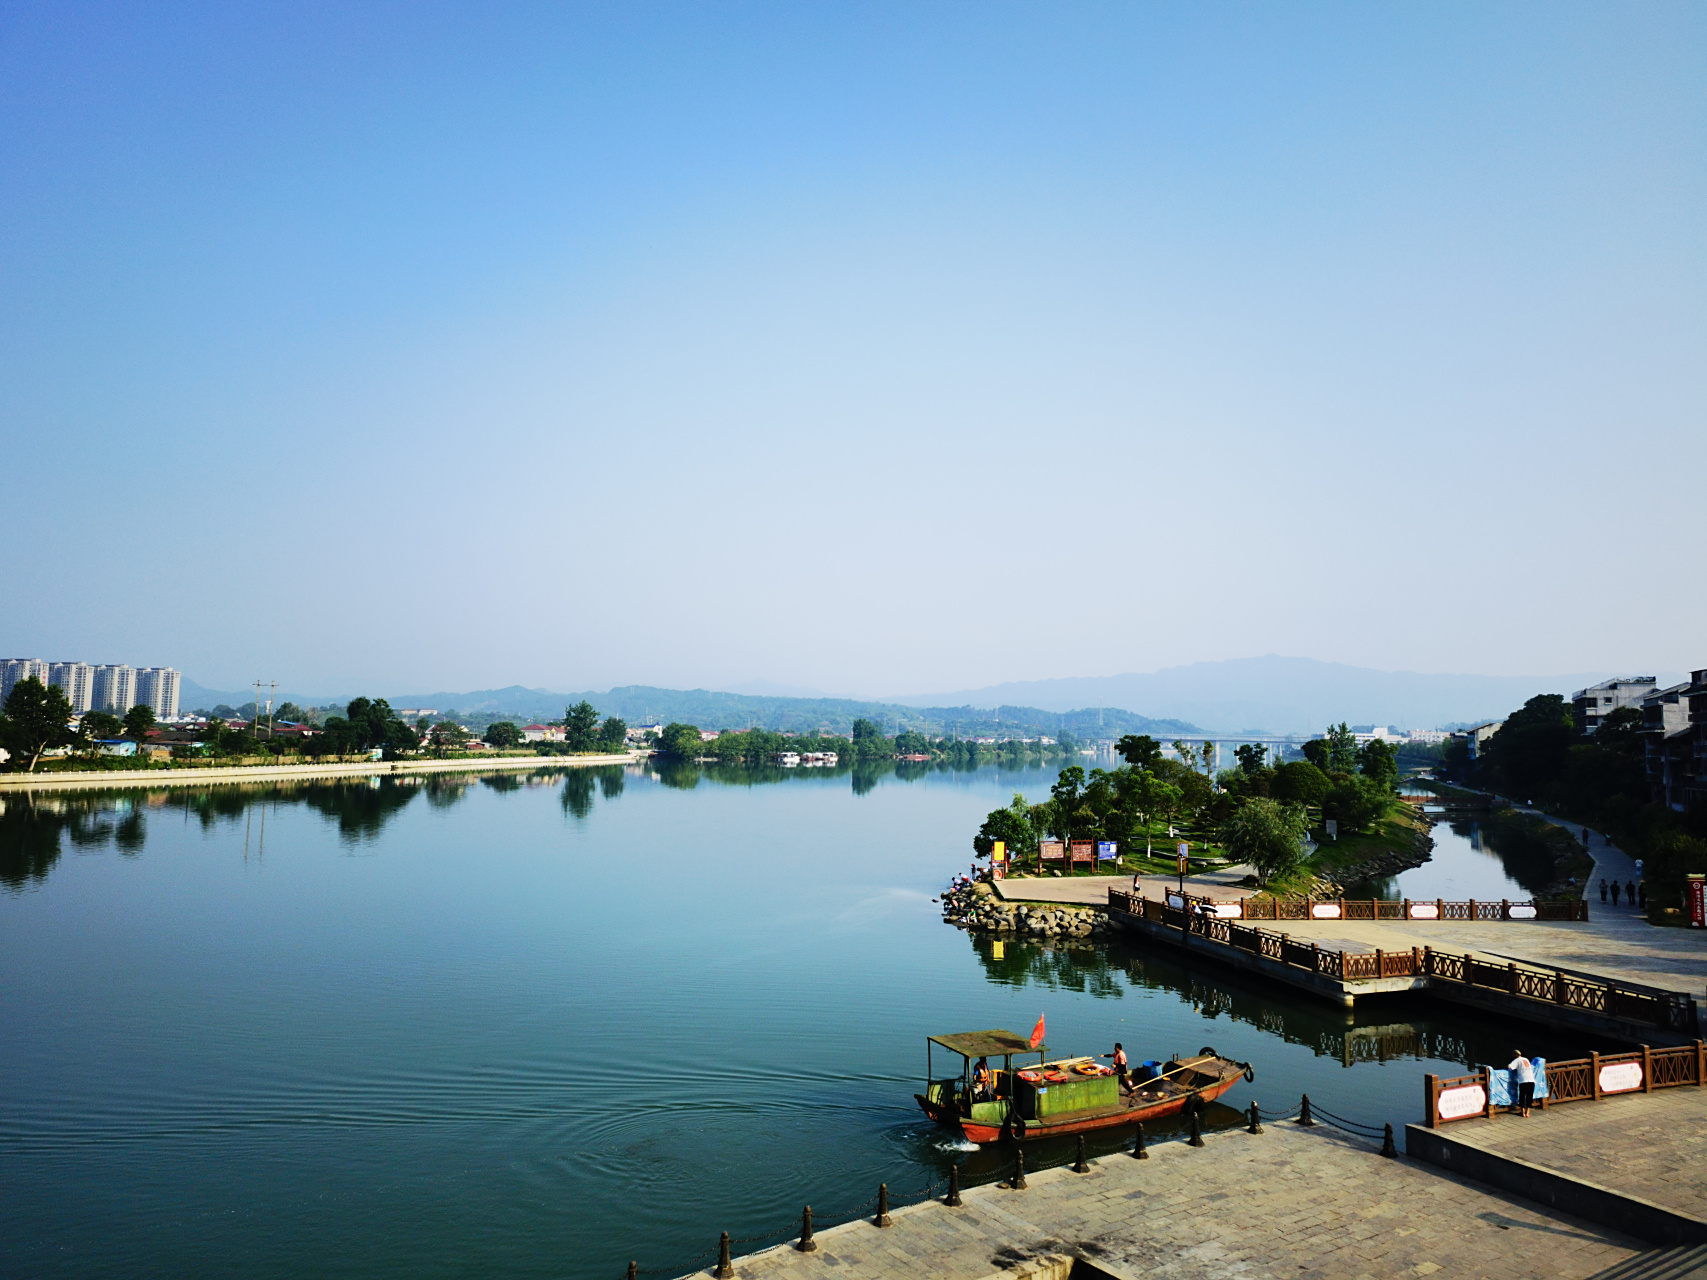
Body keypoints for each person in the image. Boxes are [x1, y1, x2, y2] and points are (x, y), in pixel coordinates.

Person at [1508, 1051, 1535, 1118]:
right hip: (1531, 1080)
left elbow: (1510, 1067)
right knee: (1529, 1096)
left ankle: (1522, 1113)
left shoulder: (1517, 1060)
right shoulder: (1526, 1059)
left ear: (1515, 1055)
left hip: (1523, 1080)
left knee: (1522, 1096)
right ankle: (1527, 1113)